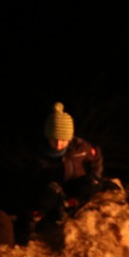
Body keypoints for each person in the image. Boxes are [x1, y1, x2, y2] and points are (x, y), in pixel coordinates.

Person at [18, 102, 107, 244]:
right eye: (55, 140)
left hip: (74, 188)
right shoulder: (37, 155)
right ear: (48, 137)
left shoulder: (80, 147)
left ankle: (72, 206)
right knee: (49, 192)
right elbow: (29, 182)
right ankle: (34, 226)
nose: (59, 144)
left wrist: (96, 174)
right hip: (51, 192)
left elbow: (96, 156)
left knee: (94, 183)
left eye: (63, 140)